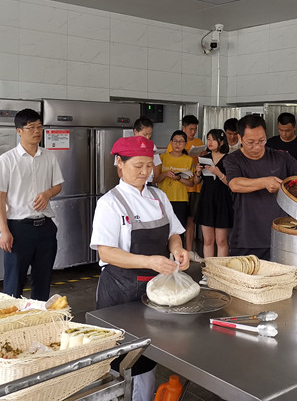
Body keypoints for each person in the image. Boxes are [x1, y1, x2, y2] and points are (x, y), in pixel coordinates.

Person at [90, 135, 189, 401]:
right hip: (120, 292)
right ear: (119, 164)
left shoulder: (159, 196)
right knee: (120, 359)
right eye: (138, 166)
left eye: (149, 165)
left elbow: (174, 232)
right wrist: (149, 261)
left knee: (148, 355)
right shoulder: (110, 203)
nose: (145, 172)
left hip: (156, 290)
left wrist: (177, 249)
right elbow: (106, 252)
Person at [223, 115, 297, 260]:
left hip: (279, 235)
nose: (257, 146)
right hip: (246, 237)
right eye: (251, 142)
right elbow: (235, 184)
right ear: (240, 138)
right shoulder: (233, 159)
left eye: (261, 141)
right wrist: (264, 182)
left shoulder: (281, 157)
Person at [0, 109, 63, 301]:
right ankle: (12, 318)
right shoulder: (7, 159)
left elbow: (58, 186)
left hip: (45, 227)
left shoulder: (49, 156)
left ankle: (39, 317)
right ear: (19, 131)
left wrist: (48, 194)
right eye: (31, 127)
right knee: (14, 284)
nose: (37, 131)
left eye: (39, 127)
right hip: (18, 229)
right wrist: (4, 231)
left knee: (43, 280)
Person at [193, 129, 233, 263]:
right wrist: (198, 172)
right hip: (207, 200)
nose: (210, 142)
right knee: (208, 240)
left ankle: (221, 270)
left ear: (221, 142)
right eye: (208, 139)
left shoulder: (229, 159)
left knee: (221, 240)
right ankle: (208, 269)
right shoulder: (205, 158)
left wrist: (218, 173)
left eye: (213, 139)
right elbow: (196, 182)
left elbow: (231, 183)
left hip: (223, 201)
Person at [166, 115, 204, 251]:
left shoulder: (199, 142)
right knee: (175, 221)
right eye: (190, 129)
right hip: (178, 189)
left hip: (194, 186)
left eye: (195, 129)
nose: (193, 132)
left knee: (190, 220)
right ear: (184, 128)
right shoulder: (175, 143)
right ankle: (174, 250)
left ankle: (189, 250)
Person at [157, 131, 195, 232]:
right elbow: (155, 179)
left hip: (181, 199)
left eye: (181, 141)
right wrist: (165, 174)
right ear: (171, 142)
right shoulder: (162, 157)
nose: (178, 144)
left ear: (185, 144)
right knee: (163, 230)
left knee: (179, 230)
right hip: (163, 198)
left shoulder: (189, 160)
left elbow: (191, 183)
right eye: (175, 141)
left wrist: (179, 178)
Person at [133, 117, 161, 184]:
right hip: (131, 183)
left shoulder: (152, 146)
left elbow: (157, 169)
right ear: (136, 131)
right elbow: (120, 172)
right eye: (145, 135)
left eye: (150, 134)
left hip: (148, 183)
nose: (147, 137)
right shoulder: (126, 145)